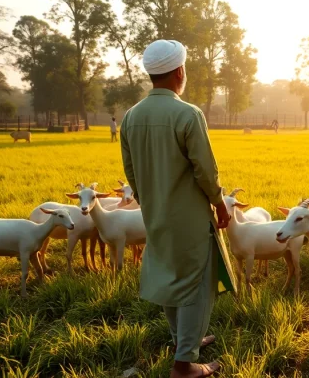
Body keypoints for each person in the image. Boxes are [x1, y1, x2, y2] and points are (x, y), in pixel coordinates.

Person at [120, 39, 234, 377]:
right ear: (180, 72)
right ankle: (184, 364)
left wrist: (149, 201)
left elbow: (131, 171)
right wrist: (219, 202)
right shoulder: (188, 114)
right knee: (197, 284)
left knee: (171, 276)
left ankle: (184, 340)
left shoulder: (131, 117)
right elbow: (206, 170)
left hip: (155, 214)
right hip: (190, 217)